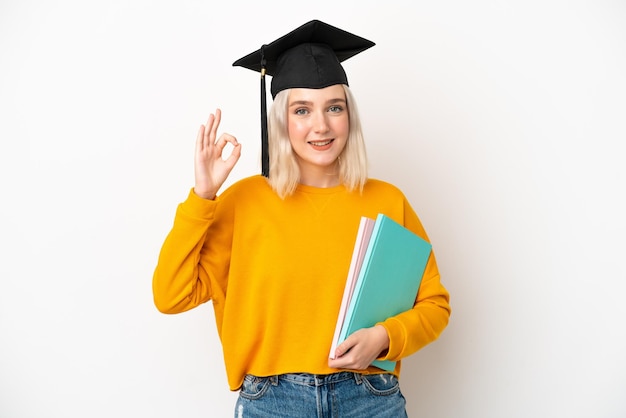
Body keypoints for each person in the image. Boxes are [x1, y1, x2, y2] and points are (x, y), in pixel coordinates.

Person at [153, 20, 451, 417]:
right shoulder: (244, 202)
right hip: (273, 402)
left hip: (369, 397)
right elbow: (170, 295)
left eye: (334, 107)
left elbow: (434, 305)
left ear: (349, 116)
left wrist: (384, 336)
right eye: (302, 110)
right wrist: (203, 196)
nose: (321, 125)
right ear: (281, 120)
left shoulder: (386, 200)